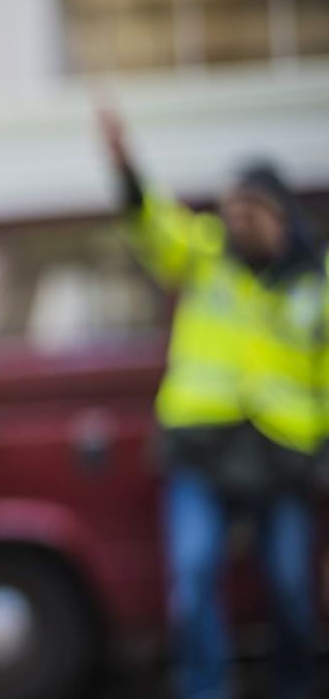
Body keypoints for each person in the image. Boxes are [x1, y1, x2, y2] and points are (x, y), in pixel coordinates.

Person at [97, 105, 324, 699]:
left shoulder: (316, 283)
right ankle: (206, 688)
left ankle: (295, 685)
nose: (236, 222)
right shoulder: (205, 254)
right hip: (201, 446)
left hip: (283, 454)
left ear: (280, 214)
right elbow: (152, 224)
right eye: (232, 211)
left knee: (291, 584)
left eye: (250, 211)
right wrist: (124, 166)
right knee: (194, 575)